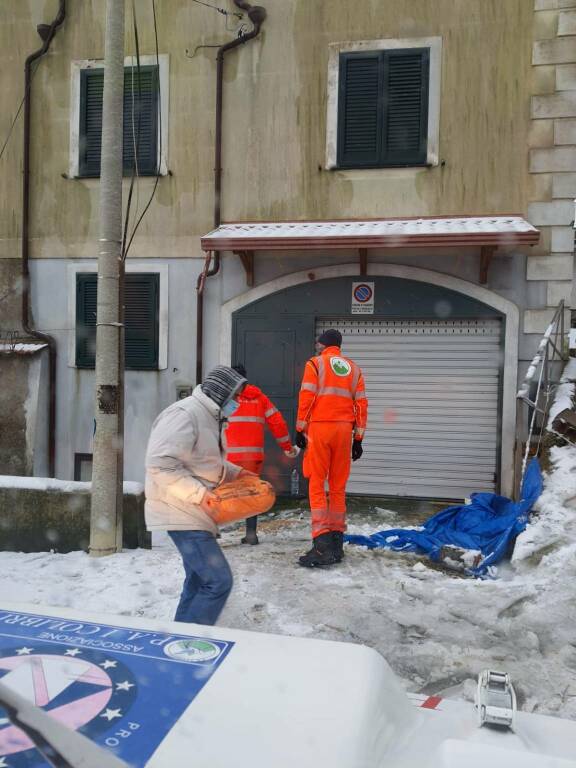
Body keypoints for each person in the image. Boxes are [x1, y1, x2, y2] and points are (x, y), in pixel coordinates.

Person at [144, 365, 250, 625]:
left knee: (199, 579)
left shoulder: (209, 416)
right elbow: (159, 464)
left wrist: (239, 474)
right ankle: (190, 643)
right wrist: (199, 494)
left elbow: (205, 461)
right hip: (180, 509)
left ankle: (181, 638)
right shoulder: (185, 414)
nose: (238, 403)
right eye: (235, 396)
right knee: (217, 580)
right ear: (222, 393)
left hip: (193, 510)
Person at [295, 329, 368, 568]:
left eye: (318, 342)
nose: (316, 345)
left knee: (316, 482)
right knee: (338, 486)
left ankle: (321, 545)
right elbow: (361, 404)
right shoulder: (354, 368)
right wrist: (358, 438)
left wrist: (300, 427)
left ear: (324, 344)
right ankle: (337, 543)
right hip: (344, 431)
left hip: (320, 428)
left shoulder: (315, 364)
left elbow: (307, 396)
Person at [225, 364, 298, 545]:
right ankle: (251, 535)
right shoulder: (259, 398)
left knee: (220, 493)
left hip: (228, 459)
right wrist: (287, 447)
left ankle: (212, 534)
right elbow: (277, 423)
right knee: (252, 493)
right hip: (253, 457)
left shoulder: (224, 399)